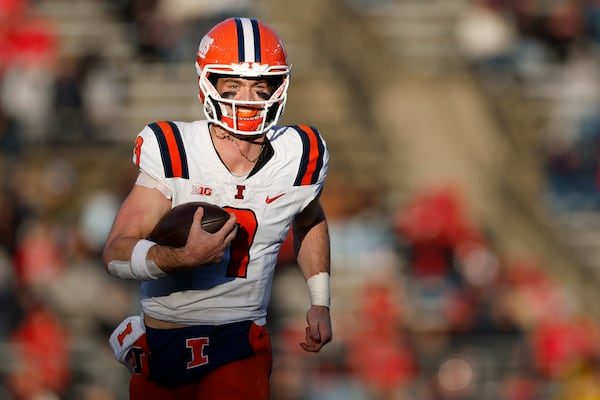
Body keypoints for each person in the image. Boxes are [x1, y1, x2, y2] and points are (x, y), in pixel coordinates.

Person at [102, 17, 332, 399]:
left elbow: (309, 217)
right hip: (162, 344)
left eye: (260, 87)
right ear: (207, 84)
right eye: (233, 85)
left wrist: (320, 299)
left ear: (279, 86)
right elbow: (116, 252)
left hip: (238, 339)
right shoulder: (174, 149)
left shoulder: (300, 154)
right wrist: (179, 257)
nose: (247, 99)